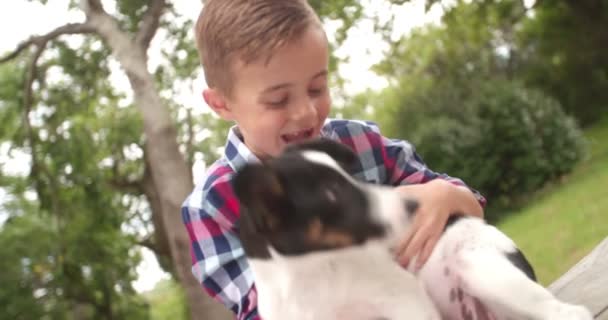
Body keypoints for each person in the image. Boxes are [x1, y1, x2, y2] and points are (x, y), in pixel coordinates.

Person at [181, 0, 486, 319]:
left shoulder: (358, 142)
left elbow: (469, 210)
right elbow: (268, 310)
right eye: (278, 100)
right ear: (221, 103)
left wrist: (446, 196)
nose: (306, 112)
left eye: (317, 88)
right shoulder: (211, 207)